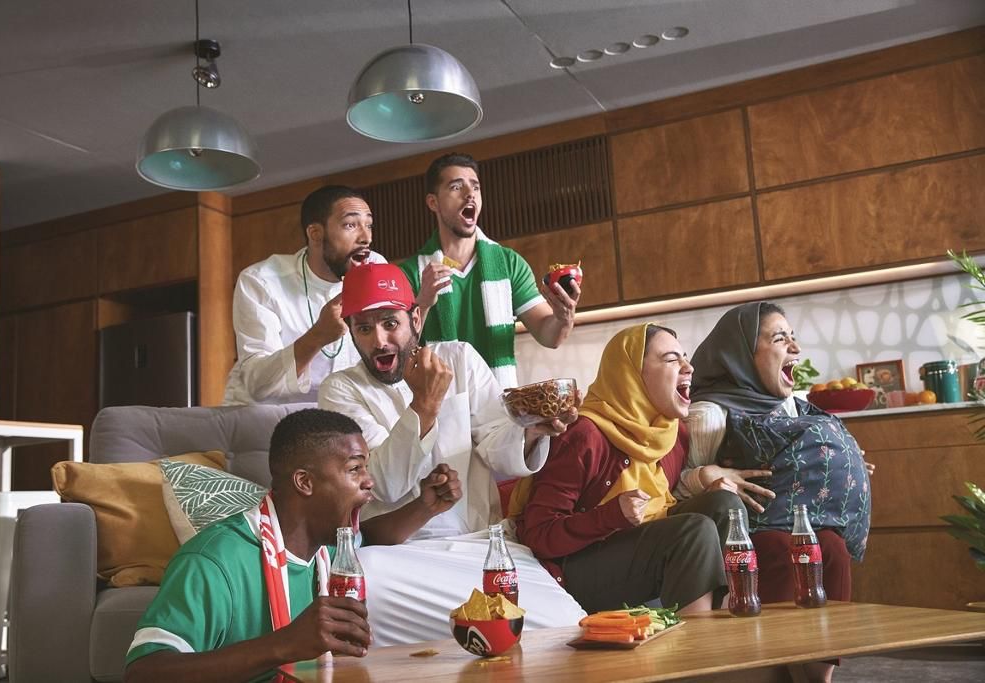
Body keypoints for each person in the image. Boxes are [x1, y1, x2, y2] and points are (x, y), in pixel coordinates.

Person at [318, 262, 586, 645]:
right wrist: (425, 405)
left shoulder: (460, 358)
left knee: (567, 630)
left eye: (390, 324)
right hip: (399, 558)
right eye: (364, 328)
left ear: (415, 319)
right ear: (351, 332)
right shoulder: (340, 390)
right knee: (364, 577)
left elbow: (498, 446)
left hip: (481, 548)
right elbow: (381, 484)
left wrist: (531, 430)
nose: (379, 341)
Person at [684, 302, 873, 683]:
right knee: (776, 547)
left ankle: (818, 675)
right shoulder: (708, 413)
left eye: (793, 337)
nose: (795, 348)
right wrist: (709, 473)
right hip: (738, 528)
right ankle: (769, 667)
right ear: (740, 354)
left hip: (797, 520)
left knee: (832, 548)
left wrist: (845, 466)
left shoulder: (792, 405)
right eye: (779, 338)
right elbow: (676, 483)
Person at [124, 409, 374, 683]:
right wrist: (284, 644)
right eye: (355, 469)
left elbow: (376, 534)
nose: (369, 481)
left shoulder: (332, 552)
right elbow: (142, 673)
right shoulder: (212, 560)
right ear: (305, 482)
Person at [510, 323, 733, 615]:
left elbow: (660, 504)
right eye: (671, 359)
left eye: (685, 358)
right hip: (574, 568)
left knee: (724, 505)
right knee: (694, 532)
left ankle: (731, 626)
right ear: (632, 375)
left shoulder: (670, 432)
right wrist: (611, 515)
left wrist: (707, 481)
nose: (688, 367)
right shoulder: (585, 435)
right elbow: (539, 535)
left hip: (634, 546)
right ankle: (699, 642)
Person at [399, 152, 580, 387]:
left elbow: (549, 335)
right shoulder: (410, 273)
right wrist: (423, 302)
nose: (469, 194)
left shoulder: (509, 263)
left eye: (475, 187)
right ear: (433, 202)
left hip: (500, 402)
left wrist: (563, 318)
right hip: (438, 404)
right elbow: (399, 350)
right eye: (456, 187)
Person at [223, 185, 386, 405]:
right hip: (264, 414)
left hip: (339, 412)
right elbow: (258, 385)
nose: (366, 238)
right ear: (315, 233)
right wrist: (318, 335)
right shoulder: (261, 281)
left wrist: (420, 305)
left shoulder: (376, 268)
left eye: (369, 225)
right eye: (350, 225)